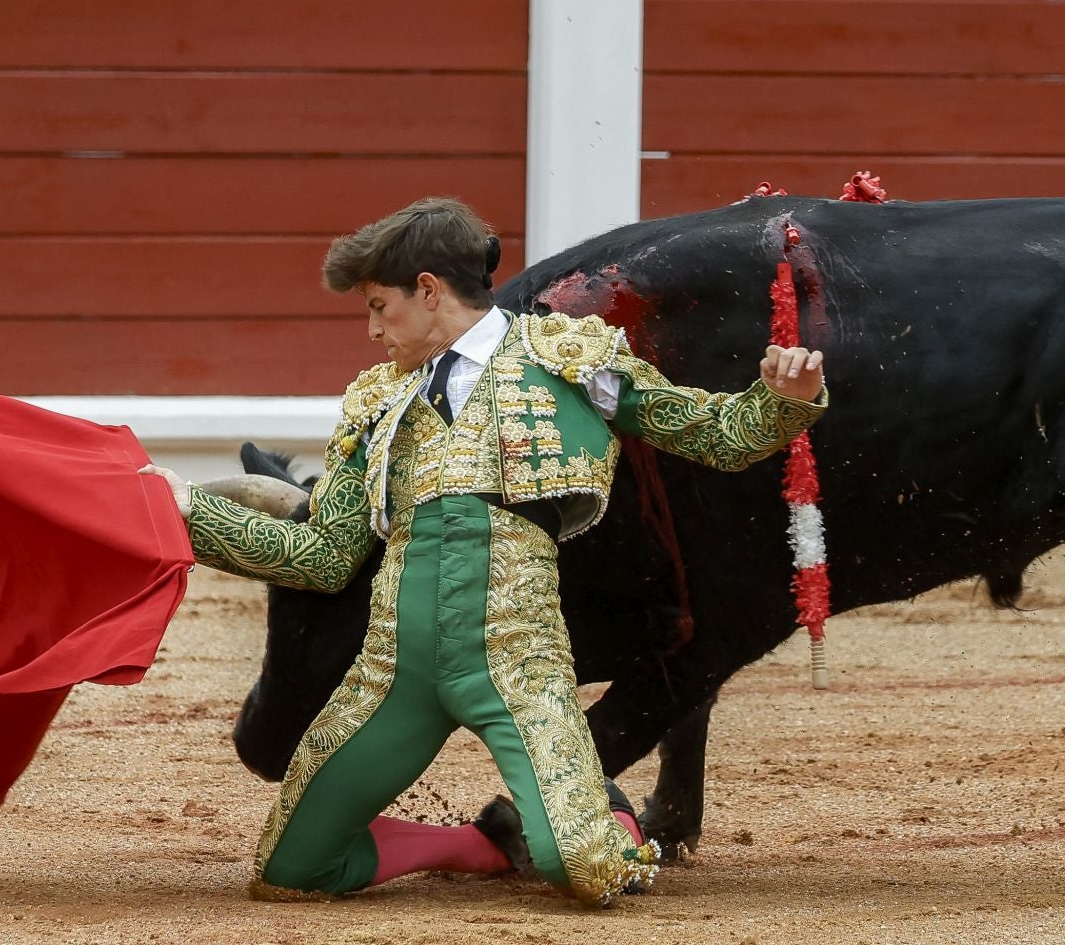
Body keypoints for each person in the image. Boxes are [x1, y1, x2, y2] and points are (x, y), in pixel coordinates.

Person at [140, 197, 827, 905]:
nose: (374, 329)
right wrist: (190, 511)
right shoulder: (378, 403)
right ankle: (473, 847)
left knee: (585, 869)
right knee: (290, 872)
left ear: (429, 290)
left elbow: (712, 433)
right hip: (393, 670)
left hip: (518, 660)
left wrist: (783, 402)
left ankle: (607, 815)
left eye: (380, 306)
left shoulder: (565, 357)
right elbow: (322, 556)